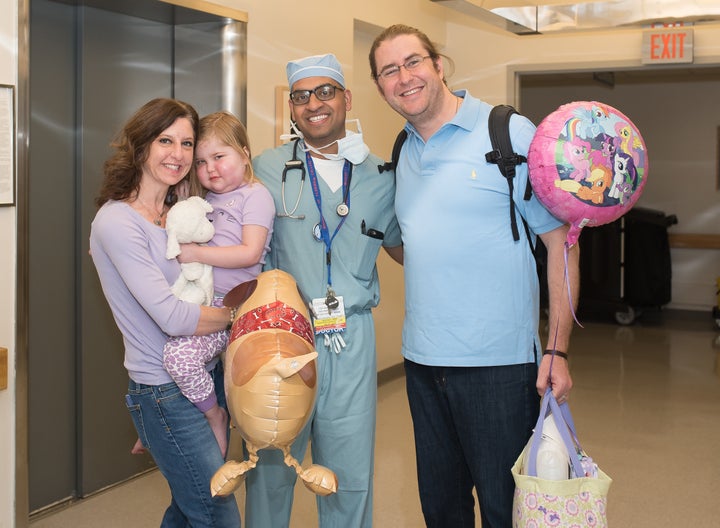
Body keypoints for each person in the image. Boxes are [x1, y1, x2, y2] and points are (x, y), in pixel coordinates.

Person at [369, 24, 580, 528]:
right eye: (389, 71)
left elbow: (562, 245)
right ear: (380, 87)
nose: (405, 77)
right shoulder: (402, 151)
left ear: (439, 66)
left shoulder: (507, 133)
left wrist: (557, 348)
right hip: (422, 364)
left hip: (500, 368)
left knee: (506, 509)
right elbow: (416, 245)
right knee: (441, 509)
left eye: (413, 61)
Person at [246, 53, 403, 528]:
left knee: (347, 471)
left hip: (349, 339)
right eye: (301, 96)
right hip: (279, 335)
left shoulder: (382, 177)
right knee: (270, 468)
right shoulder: (265, 170)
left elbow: (407, 248)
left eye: (325, 92)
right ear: (291, 108)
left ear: (345, 98)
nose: (313, 104)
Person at [89, 98, 241, 527]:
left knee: (187, 507)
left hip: (203, 376)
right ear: (140, 146)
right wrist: (233, 317)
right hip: (164, 390)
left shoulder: (179, 212)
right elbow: (173, 319)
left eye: (187, 143)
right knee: (216, 510)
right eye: (165, 140)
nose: (178, 154)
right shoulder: (117, 222)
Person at [162, 110, 275, 458]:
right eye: (201, 161)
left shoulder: (254, 195)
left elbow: (250, 252)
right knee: (157, 347)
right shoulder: (206, 199)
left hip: (233, 309)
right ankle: (152, 423)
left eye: (219, 157)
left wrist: (196, 254)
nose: (210, 169)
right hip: (204, 301)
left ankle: (215, 415)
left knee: (178, 357)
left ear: (244, 153)